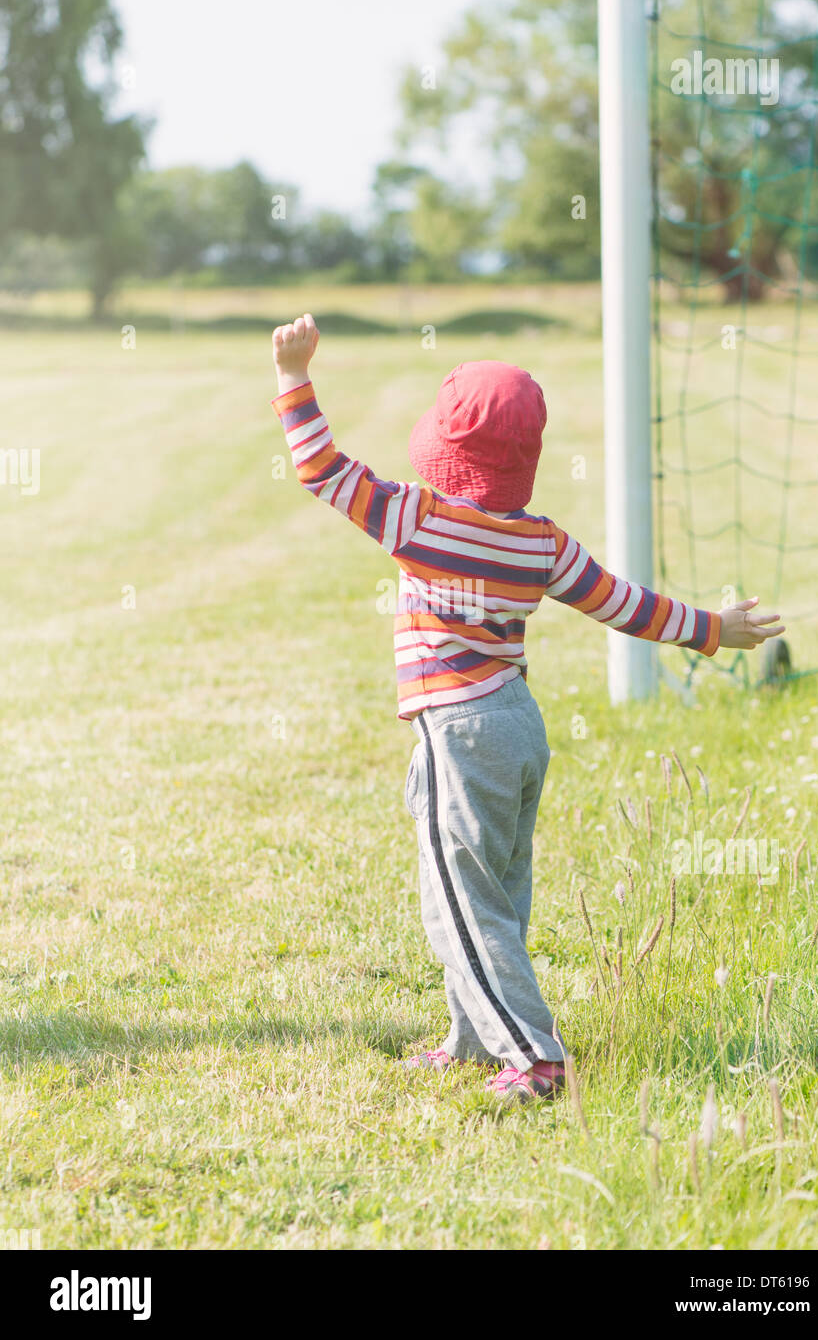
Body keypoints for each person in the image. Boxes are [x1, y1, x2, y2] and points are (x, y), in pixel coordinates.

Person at [270, 313, 784, 1106]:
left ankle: (534, 1057)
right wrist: (714, 629)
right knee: (499, 895)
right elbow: (625, 605)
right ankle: (475, 1040)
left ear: (443, 453)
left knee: (458, 902)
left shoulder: (418, 520)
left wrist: (293, 376)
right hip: (517, 724)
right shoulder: (542, 543)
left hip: (461, 729)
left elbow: (323, 470)